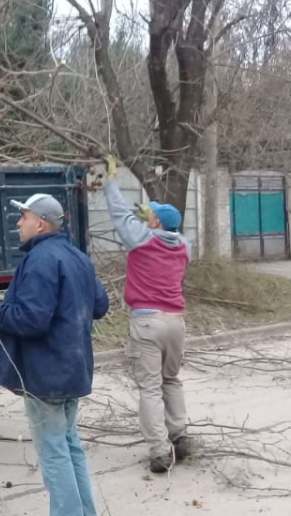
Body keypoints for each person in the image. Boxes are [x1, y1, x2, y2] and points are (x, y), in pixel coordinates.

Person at [0, 193, 109, 516]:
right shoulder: (78, 258)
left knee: (54, 452)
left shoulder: (41, 260)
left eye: (24, 217)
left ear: (40, 223)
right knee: (70, 445)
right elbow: (100, 305)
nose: (18, 223)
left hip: (46, 376)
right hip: (73, 370)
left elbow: (32, 320)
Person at [102, 156, 192, 474]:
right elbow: (169, 230)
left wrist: (112, 179)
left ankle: (159, 451)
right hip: (175, 322)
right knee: (172, 380)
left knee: (150, 387)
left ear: (154, 223)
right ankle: (179, 438)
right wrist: (153, 214)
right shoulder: (183, 245)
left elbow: (117, 212)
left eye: (151, 216)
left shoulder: (141, 239)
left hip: (147, 321)